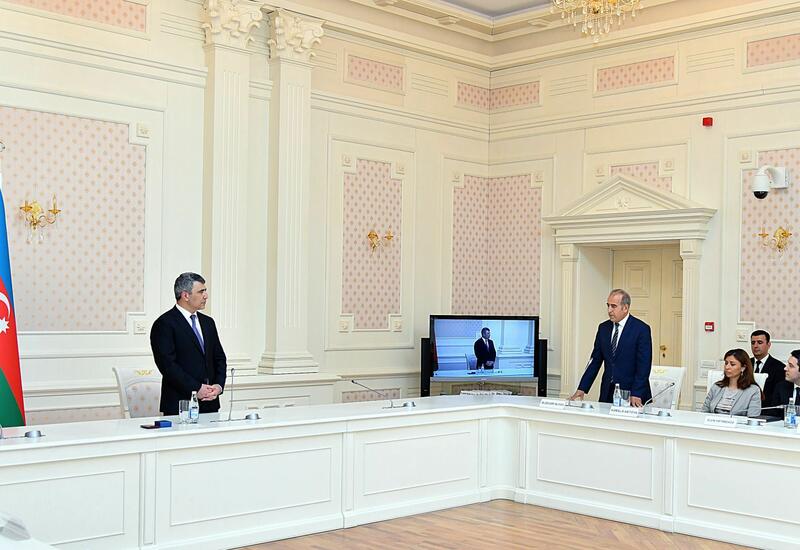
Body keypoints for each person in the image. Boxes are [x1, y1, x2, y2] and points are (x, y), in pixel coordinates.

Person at [150, 272, 227, 415]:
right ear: (185, 295)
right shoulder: (164, 324)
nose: (206, 296)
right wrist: (197, 388)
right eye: (201, 291)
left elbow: (219, 358)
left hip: (210, 404)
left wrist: (218, 386)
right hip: (180, 405)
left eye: (205, 291)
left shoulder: (208, 322)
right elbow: (168, 366)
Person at [570, 289, 652, 406]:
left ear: (625, 308)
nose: (609, 310)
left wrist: (637, 392)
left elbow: (644, 366)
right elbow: (595, 361)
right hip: (607, 392)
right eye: (608, 305)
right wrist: (582, 387)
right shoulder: (603, 328)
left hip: (632, 393)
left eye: (613, 306)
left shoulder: (641, 329)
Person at [701, 349, 761, 417]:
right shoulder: (716, 387)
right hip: (713, 423)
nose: (727, 367)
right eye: (726, 363)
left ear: (743, 368)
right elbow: (704, 412)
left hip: (737, 424)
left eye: (732, 364)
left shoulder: (753, 391)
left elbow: (753, 418)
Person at [750, 330, 785, 406]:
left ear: (768, 345)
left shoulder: (779, 367)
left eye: (759, 342)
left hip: (766, 409)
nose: (755, 346)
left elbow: (778, 395)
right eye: (753, 343)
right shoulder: (745, 364)